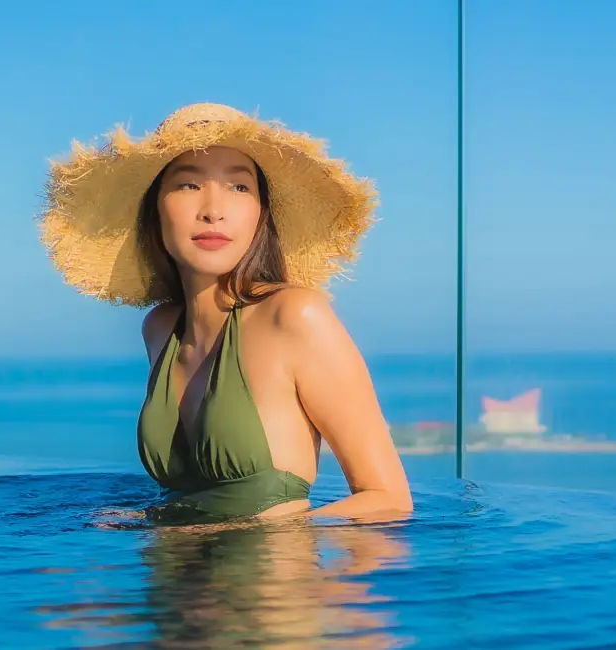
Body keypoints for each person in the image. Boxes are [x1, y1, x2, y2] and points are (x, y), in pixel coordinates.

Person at [38, 102, 415, 525]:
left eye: (239, 187)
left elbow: (388, 500)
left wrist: (247, 534)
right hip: (171, 585)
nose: (214, 209)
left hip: (270, 588)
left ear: (260, 214)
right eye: (188, 186)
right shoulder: (161, 328)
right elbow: (201, 498)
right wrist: (148, 518)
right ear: (154, 210)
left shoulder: (294, 316)